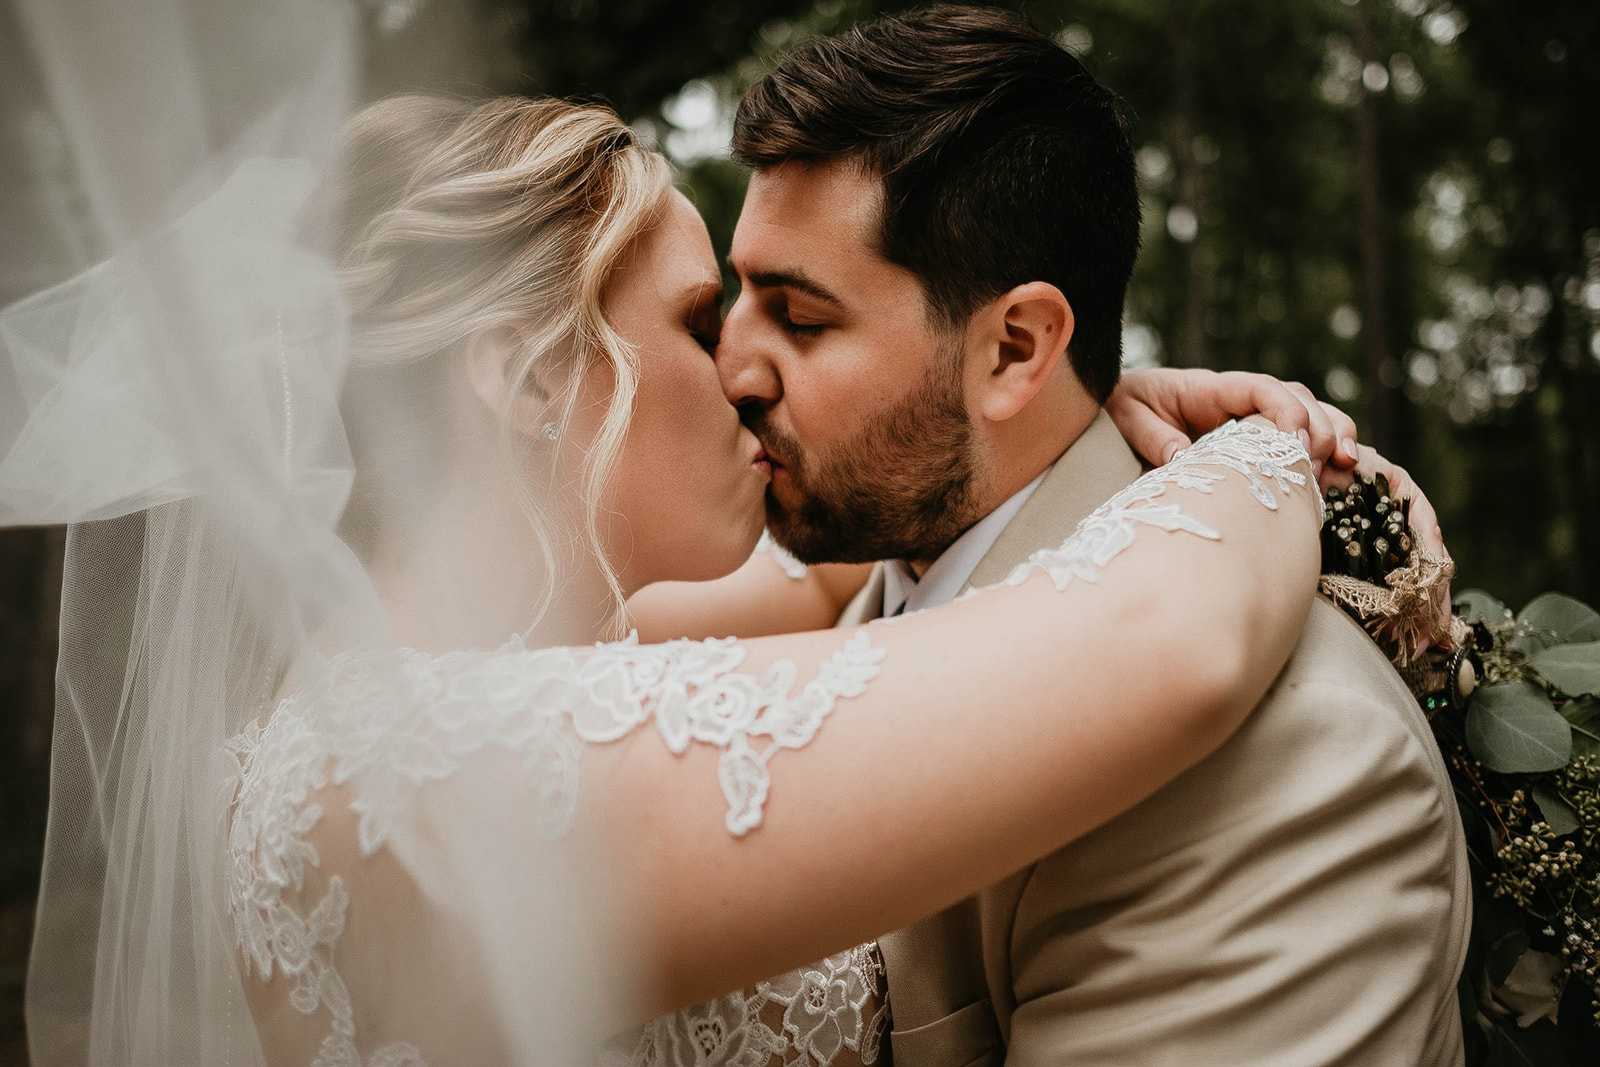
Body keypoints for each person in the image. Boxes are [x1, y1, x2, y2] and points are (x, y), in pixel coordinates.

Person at [0, 67, 1334, 1066]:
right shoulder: (407, 776)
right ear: (529, 377)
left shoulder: (521, 681)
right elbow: (1177, 643)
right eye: (702, 322)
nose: (751, 372)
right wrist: (1274, 464)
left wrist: (1056, 400)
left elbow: (837, 578)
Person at [709, 7, 1470, 1065]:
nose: (731, 368)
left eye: (799, 317)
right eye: (729, 298)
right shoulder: (862, 600)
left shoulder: (1284, 764)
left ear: (1015, 349)